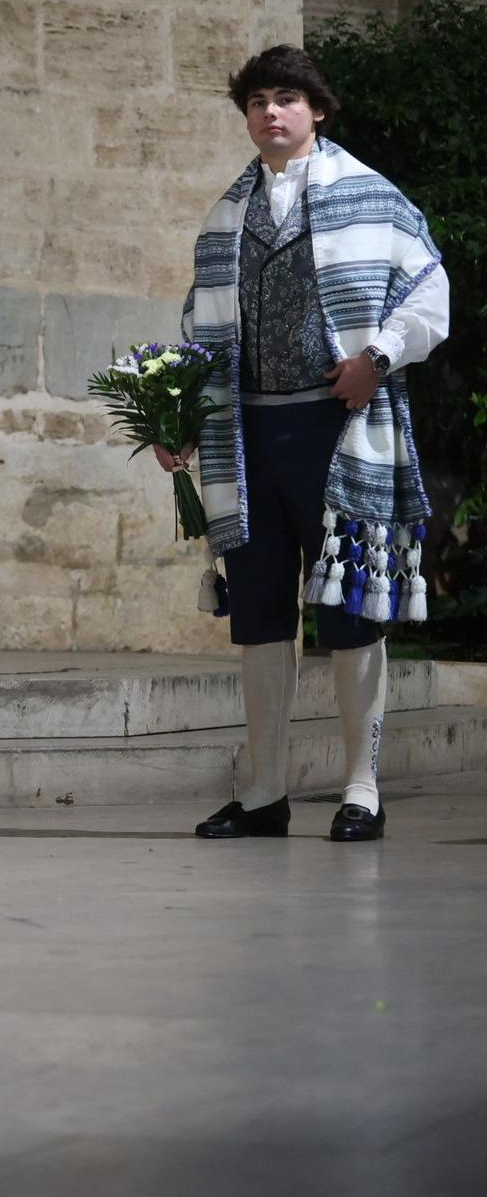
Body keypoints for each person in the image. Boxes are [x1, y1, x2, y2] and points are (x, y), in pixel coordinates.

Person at [165, 45, 448, 843]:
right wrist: (178, 417)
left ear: (315, 110)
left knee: (351, 606)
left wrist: (379, 358)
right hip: (247, 434)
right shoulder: (226, 215)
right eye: (258, 102)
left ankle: (363, 787)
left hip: (338, 425)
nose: (271, 113)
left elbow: (431, 292)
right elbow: (198, 326)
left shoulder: (373, 197)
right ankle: (263, 793)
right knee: (257, 615)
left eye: (286, 99)